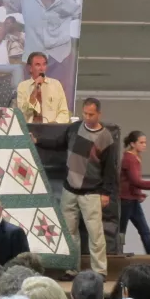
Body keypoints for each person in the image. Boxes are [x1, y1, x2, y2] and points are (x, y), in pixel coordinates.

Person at [31, 97, 117, 280]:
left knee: (96, 234)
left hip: (92, 191)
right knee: (70, 233)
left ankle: (100, 271)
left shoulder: (106, 137)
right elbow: (58, 143)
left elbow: (110, 168)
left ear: (99, 114)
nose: (87, 117)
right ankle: (72, 268)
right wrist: (38, 140)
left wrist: (106, 193)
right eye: (85, 113)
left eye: (91, 114)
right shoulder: (74, 128)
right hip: (70, 189)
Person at [120, 130, 150, 255]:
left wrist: (138, 194)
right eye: (141, 142)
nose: (144, 145)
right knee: (121, 231)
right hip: (125, 201)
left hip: (132, 200)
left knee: (144, 231)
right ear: (133, 144)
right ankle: (116, 255)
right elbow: (136, 181)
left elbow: (131, 181)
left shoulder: (134, 157)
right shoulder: (130, 159)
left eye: (145, 142)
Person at [16, 52, 70, 124]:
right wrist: (35, 90)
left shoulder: (56, 84)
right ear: (30, 68)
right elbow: (22, 112)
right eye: (38, 65)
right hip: (30, 128)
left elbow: (64, 112)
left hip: (52, 129)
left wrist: (55, 124)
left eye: (44, 64)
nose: (42, 69)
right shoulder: (22, 86)